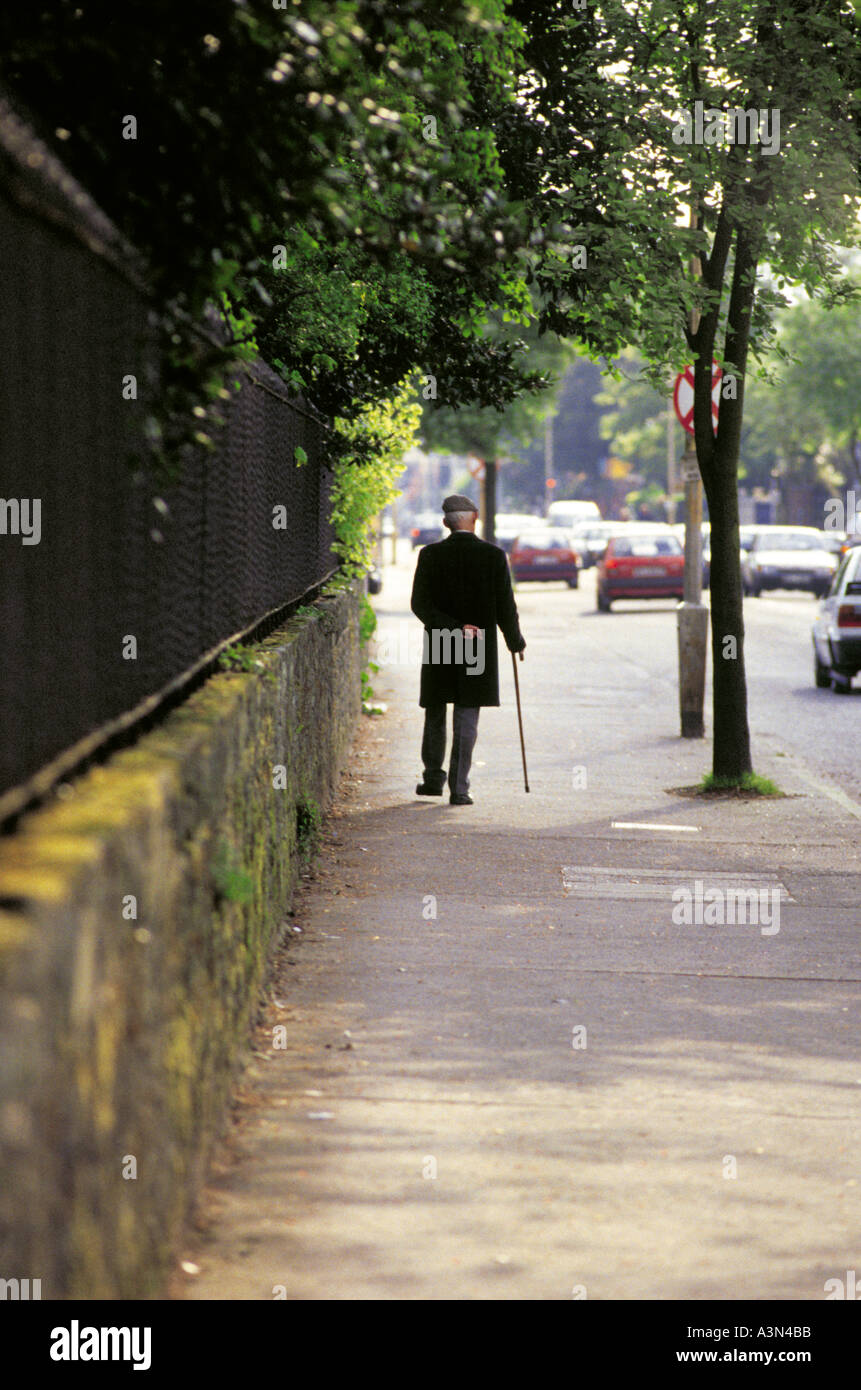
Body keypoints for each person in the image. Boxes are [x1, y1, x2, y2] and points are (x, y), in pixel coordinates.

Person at [410, 494, 526, 805]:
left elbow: (419, 605)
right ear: (475, 518)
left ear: (445, 522)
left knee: (436, 708)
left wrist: (452, 628)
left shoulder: (430, 555)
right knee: (466, 712)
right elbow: (506, 606)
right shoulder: (493, 557)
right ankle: (459, 789)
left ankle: (433, 778)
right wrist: (515, 641)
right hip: (477, 646)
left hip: (441, 640)